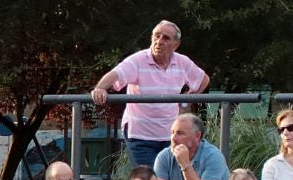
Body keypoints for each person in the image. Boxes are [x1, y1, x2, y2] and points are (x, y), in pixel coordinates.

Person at [89, 20, 210, 169]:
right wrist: (101, 88)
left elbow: (203, 80)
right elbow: (116, 74)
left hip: (170, 136)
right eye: (156, 36)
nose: (159, 41)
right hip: (140, 136)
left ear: (176, 44)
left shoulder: (182, 62)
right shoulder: (138, 60)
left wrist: (186, 101)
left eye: (166, 38)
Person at [153, 113, 230, 180]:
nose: (173, 138)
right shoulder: (164, 156)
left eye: (180, 133)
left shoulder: (213, 156)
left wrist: (185, 164)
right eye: (172, 133)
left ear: (197, 136)